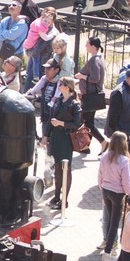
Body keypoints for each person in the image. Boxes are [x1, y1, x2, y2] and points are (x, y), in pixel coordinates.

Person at [99, 132, 130, 261]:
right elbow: (126, 182)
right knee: (114, 223)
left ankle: (108, 245)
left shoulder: (104, 156)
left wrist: (101, 186)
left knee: (110, 220)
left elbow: (100, 174)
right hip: (118, 194)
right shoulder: (124, 160)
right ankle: (108, 252)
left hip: (106, 190)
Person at [48, 77, 81, 211]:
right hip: (56, 138)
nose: (59, 86)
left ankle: (64, 200)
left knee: (65, 168)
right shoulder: (59, 101)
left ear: (67, 87)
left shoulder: (74, 104)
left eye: (61, 84)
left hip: (66, 139)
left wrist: (61, 123)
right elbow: (51, 119)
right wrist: (46, 135)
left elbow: (76, 124)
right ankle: (56, 196)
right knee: (56, 168)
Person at [76, 36, 107, 150]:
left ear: (93, 46)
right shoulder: (98, 58)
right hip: (92, 94)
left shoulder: (94, 60)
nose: (86, 46)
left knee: (87, 122)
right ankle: (86, 145)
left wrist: (81, 76)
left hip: (90, 95)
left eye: (87, 44)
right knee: (88, 120)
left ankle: (103, 142)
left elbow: (95, 78)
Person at [105, 67, 130, 143]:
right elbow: (112, 119)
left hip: (129, 135)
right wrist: (118, 138)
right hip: (120, 137)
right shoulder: (119, 93)